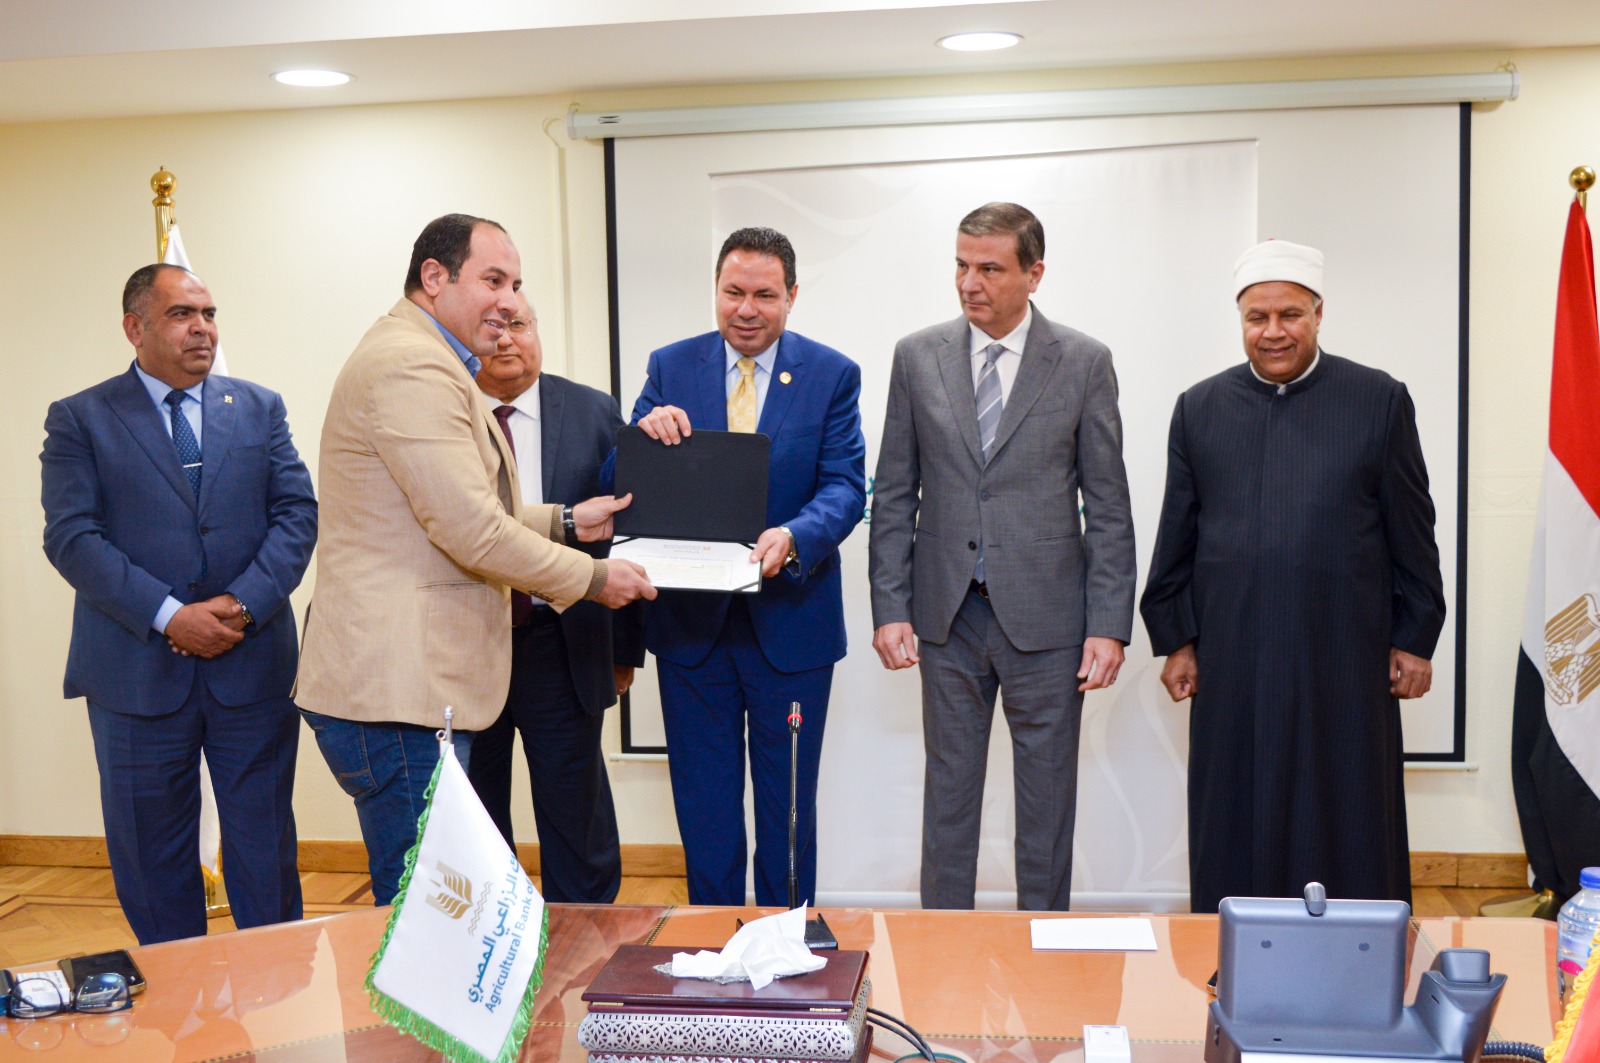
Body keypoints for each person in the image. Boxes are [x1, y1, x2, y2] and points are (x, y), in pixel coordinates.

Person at [295, 213, 655, 905]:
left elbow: (449, 509)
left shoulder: (420, 355)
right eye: (493, 280)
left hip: (411, 690)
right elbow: (472, 531)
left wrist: (565, 519)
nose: (509, 301)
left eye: (515, 285)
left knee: (447, 904)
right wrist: (593, 577)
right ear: (435, 277)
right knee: (428, 913)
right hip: (401, 692)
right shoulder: (412, 364)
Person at [1139, 239, 1446, 913]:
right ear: (1241, 320)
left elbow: (1412, 530)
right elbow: (1177, 534)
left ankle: (1356, 952)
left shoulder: (1377, 399)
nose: (1273, 331)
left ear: (1318, 314)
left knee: (1347, 809)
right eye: (1258, 317)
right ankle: (1234, 952)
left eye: (1290, 315)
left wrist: (1416, 636)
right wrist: (1176, 638)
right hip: (1233, 653)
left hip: (1345, 652)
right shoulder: (1200, 408)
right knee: (1234, 812)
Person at [868, 202, 1135, 912]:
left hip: (1050, 623)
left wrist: (1108, 624)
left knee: (1047, 808)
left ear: (1033, 274)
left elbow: (1108, 505)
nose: (969, 283)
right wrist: (890, 607)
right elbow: (893, 492)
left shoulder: (1083, 362)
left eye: (989, 268)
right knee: (948, 803)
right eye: (961, 265)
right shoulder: (916, 356)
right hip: (947, 617)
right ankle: (940, 952)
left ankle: (1042, 949)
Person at [41, 263, 317, 944]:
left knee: (265, 850)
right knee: (151, 859)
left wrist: (242, 605)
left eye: (209, 313)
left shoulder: (259, 407)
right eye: (181, 314)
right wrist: (171, 615)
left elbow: (296, 514)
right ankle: (178, 1001)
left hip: (250, 666)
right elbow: (72, 538)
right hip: (135, 675)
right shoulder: (81, 418)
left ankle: (277, 994)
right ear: (134, 327)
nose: (203, 328)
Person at [620, 226, 865, 906]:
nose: (747, 310)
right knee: (706, 810)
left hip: (792, 625)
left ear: (792, 295)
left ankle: (786, 942)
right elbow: (623, 480)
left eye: (764, 295)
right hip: (692, 634)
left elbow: (846, 486)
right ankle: (713, 942)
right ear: (716, 290)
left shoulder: (832, 374)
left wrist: (794, 534)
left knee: (788, 810)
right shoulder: (671, 367)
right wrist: (644, 436)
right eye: (733, 293)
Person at [465, 291, 644, 903]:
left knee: (577, 819)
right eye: (491, 327)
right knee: (476, 818)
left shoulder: (593, 411)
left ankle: (588, 940)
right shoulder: (447, 412)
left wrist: (625, 650)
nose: (505, 338)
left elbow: (625, 532)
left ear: (536, 330)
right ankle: (494, 940)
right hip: (470, 644)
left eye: (517, 323)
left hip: (562, 643)